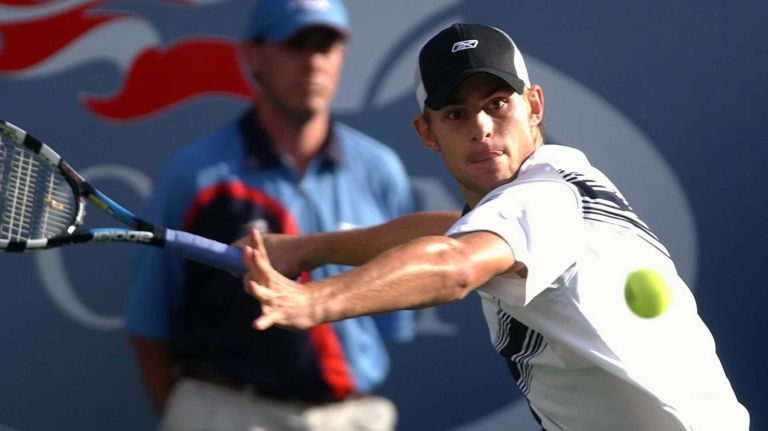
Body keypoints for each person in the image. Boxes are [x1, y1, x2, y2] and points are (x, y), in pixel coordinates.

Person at [239, 23, 751, 430]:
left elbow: (456, 265)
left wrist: (313, 301)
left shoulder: (540, 200)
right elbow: (449, 232)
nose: (482, 128)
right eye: (457, 114)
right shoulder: (557, 185)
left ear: (534, 106)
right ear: (428, 132)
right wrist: (307, 249)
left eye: (497, 104)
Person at [125, 1, 415, 430]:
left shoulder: (381, 170)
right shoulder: (194, 176)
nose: (314, 62)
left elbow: (394, 315)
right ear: (254, 54)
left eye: (326, 45)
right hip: (225, 411)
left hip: (352, 416)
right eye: (296, 43)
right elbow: (150, 323)